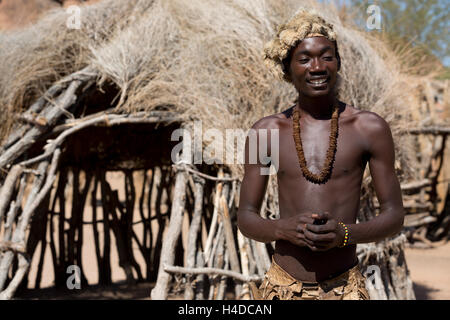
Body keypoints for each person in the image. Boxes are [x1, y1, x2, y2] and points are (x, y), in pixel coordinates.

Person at [237, 9, 404, 300]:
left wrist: (345, 234)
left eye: (326, 56)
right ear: (287, 68)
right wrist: (283, 229)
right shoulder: (266, 132)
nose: (317, 67)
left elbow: (394, 215)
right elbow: (246, 217)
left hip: (345, 289)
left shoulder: (369, 128)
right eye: (304, 59)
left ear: (338, 62)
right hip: (282, 289)